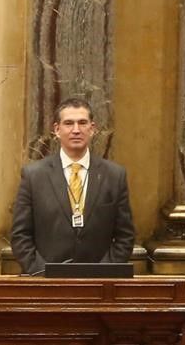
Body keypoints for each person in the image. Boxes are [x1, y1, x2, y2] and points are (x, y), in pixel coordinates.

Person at [11, 97, 134, 275]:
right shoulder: (34, 176)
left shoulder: (114, 176)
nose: (76, 130)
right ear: (57, 130)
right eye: (69, 123)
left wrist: (104, 273)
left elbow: (125, 236)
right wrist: (43, 274)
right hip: (47, 281)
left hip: (99, 281)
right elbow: (20, 235)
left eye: (82, 123)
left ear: (92, 129)